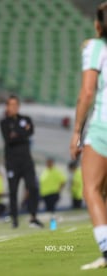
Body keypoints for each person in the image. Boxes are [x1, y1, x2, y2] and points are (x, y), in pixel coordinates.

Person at [70, 2, 107, 269]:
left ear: (98, 25)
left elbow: (87, 93)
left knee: (92, 189)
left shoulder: (95, 47)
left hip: (103, 125)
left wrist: (76, 131)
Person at [0, 95, 43, 228]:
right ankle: (14, 219)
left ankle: (33, 217)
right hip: (12, 162)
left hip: (26, 161)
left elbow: (31, 132)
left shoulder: (26, 119)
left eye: (15, 105)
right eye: (10, 105)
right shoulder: (4, 122)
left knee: (33, 187)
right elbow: (9, 138)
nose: (13, 107)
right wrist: (22, 132)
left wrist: (17, 132)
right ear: (7, 107)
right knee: (13, 191)